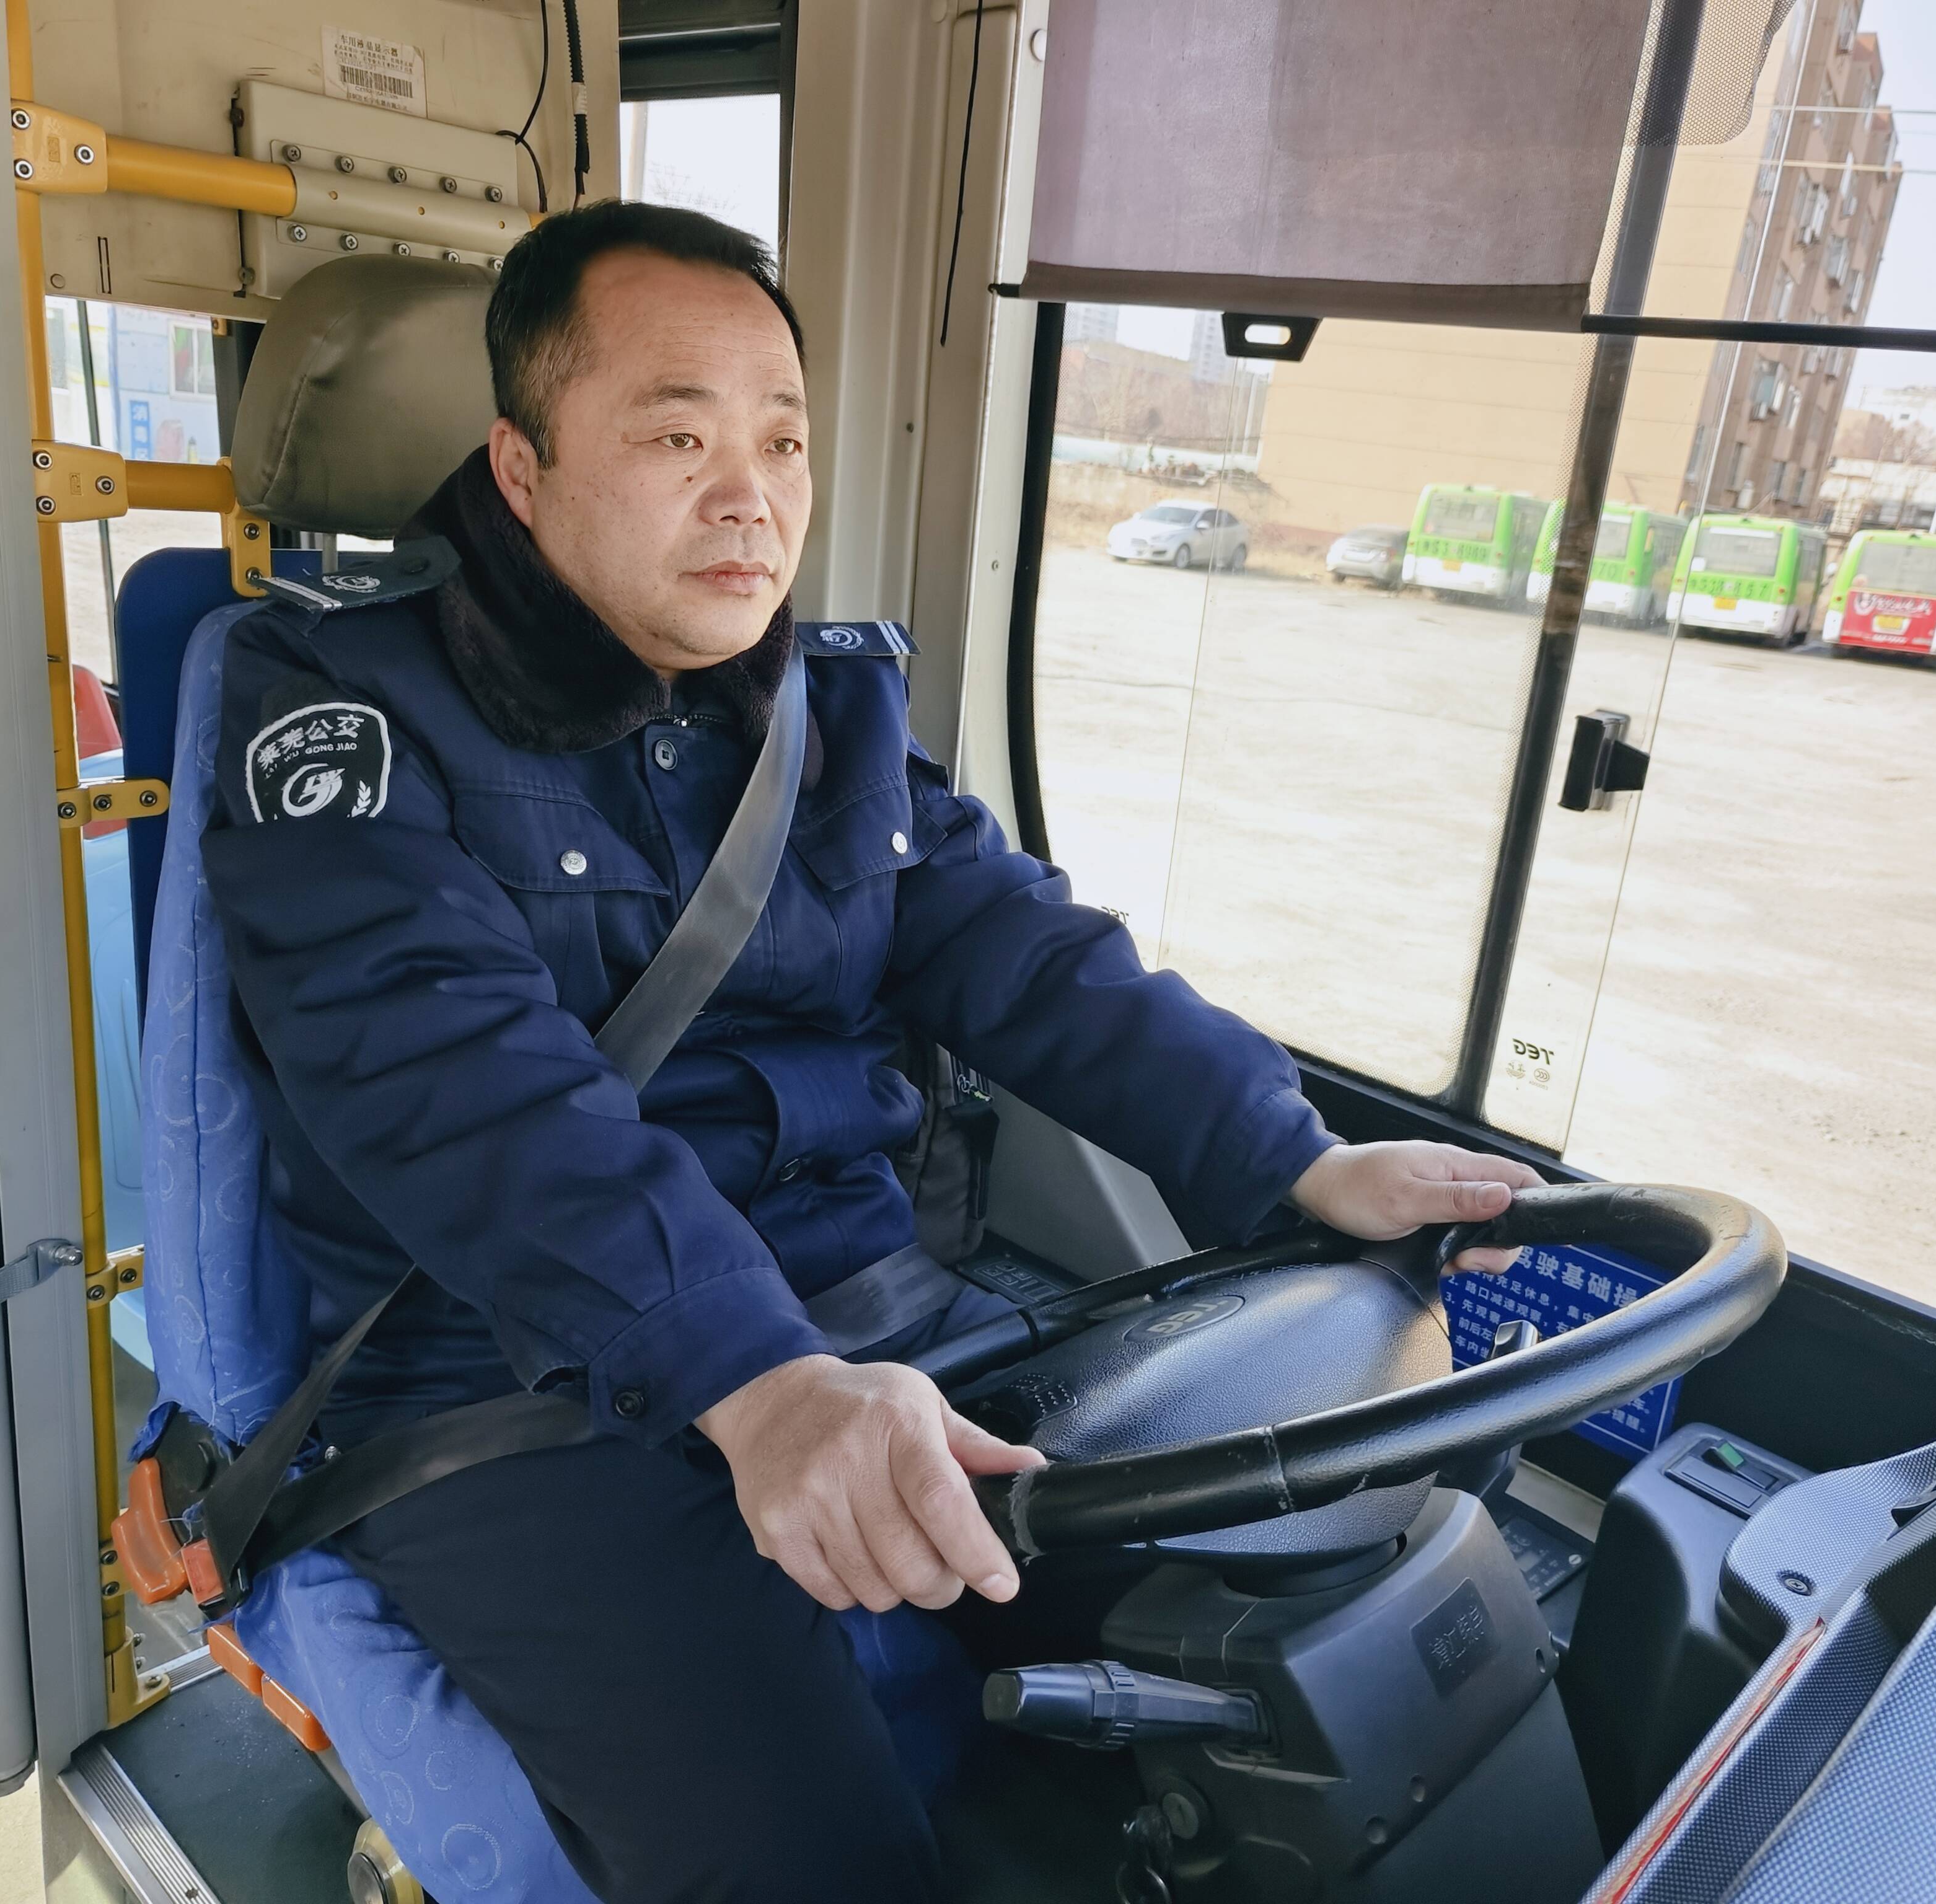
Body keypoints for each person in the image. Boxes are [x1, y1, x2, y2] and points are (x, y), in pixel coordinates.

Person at [203, 200, 1539, 1904]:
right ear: (523, 470)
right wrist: (761, 1386)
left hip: (871, 1314)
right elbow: (463, 1090)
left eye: (781, 440)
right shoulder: (339, 708)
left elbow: (1026, 951)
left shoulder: (823, 713)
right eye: (676, 437)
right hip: (516, 1382)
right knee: (809, 1860)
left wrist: (1295, 1157)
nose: (748, 495)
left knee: (1298, 1621)